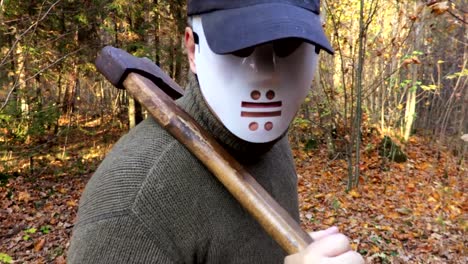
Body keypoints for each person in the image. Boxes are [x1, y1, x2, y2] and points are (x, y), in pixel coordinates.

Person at [68, 0, 364, 263]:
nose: (264, 72)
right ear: (192, 49)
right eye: (239, 44)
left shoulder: (272, 146)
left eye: (287, 44)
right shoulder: (130, 205)